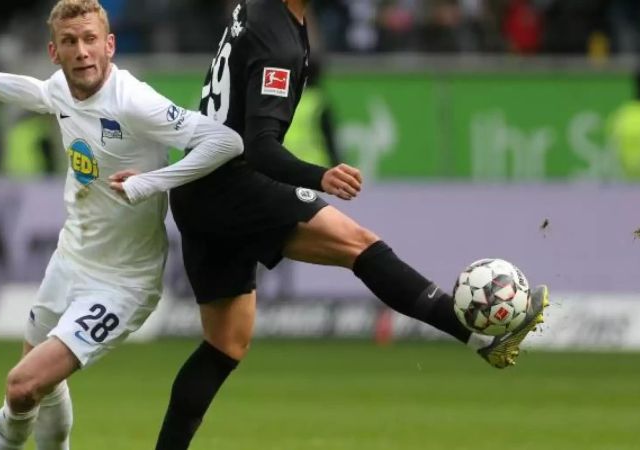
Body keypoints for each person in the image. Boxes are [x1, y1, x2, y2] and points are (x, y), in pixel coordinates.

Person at [154, 1, 551, 449]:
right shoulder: (278, 43)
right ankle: (477, 335)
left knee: (225, 344)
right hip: (233, 181)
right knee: (359, 245)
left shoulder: (259, 10)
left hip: (197, 188)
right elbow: (261, 147)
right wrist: (319, 176)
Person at [0, 1, 244, 449]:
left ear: (109, 45)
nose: (81, 51)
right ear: (54, 52)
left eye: (90, 40)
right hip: (70, 261)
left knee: (22, 385)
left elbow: (225, 140)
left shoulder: (135, 101)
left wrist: (152, 182)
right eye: (69, 42)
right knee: (33, 392)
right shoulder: (61, 88)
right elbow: (28, 91)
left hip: (123, 283)